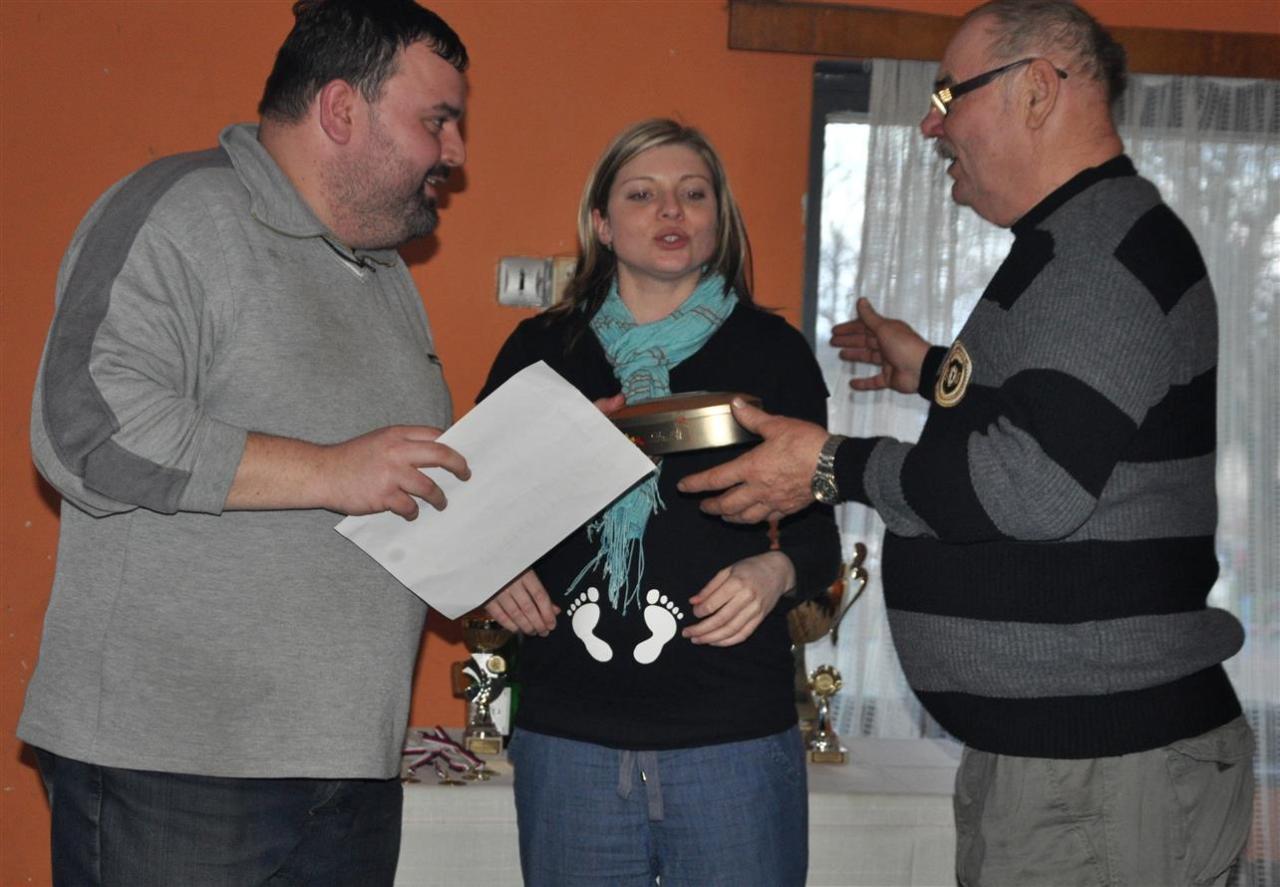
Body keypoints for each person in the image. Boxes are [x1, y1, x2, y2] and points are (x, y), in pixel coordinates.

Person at [679, 2, 1255, 885]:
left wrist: (833, 464)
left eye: (950, 93)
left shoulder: (1100, 256)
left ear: (1037, 91)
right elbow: (1068, 420)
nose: (929, 122)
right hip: (1072, 765)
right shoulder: (1076, 244)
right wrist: (933, 369)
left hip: (1100, 770)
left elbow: (1033, 485)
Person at [19, 2, 473, 884]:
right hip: (174, 772)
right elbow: (85, 430)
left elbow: (387, 484)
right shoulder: (179, 213)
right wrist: (331, 470)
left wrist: (486, 540)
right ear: (341, 110)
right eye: (437, 120)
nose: (454, 151)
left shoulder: (383, 272)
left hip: (351, 769)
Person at [478, 118, 841, 887]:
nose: (671, 211)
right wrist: (493, 566)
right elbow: (472, 511)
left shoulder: (774, 353)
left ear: (718, 220)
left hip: (733, 740)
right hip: (568, 738)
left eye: (693, 194)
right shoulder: (540, 351)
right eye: (643, 195)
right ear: (603, 224)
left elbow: (818, 543)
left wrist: (774, 571)